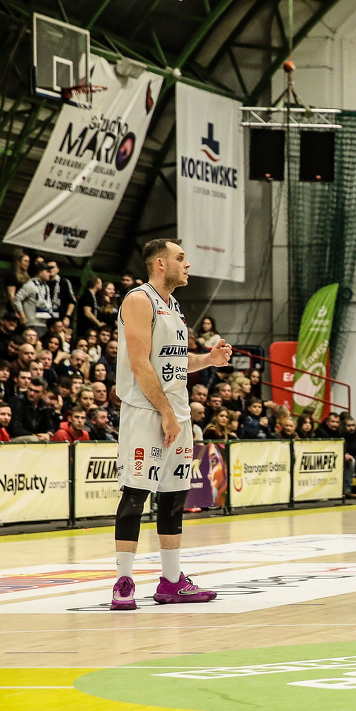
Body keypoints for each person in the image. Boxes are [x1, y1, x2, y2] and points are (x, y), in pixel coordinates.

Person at [108, 239, 232, 611]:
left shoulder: (174, 306)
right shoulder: (139, 299)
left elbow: (174, 362)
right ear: (160, 264)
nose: (187, 264)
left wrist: (208, 360)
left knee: (175, 496)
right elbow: (140, 364)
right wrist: (164, 412)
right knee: (135, 494)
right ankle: (123, 582)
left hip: (176, 411)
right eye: (180, 258)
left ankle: (172, 580)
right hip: (146, 411)